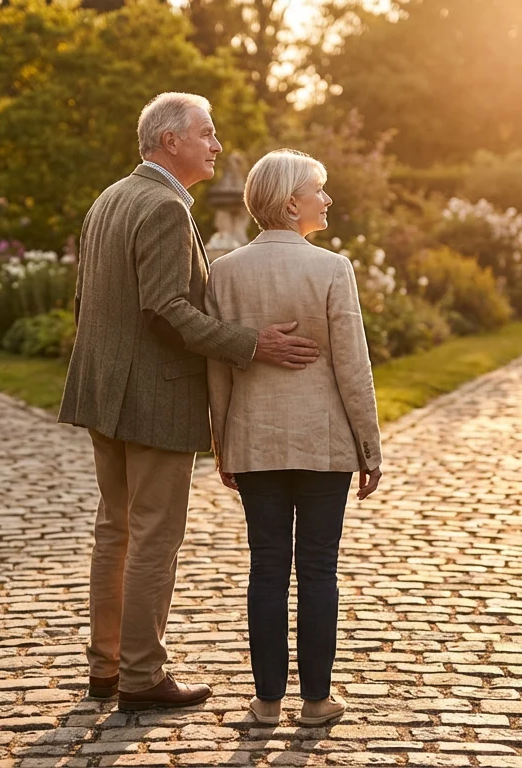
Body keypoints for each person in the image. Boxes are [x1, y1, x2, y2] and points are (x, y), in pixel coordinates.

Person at [58, 94, 321, 712]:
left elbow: (85, 303)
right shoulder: (164, 208)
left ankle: (106, 667)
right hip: (152, 400)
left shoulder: (111, 198)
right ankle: (142, 677)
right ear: (170, 140)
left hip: (104, 394)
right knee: (151, 537)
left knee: (115, 531)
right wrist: (250, 343)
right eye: (206, 133)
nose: (217, 145)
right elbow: (167, 309)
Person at [205, 149, 384, 727]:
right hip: (323, 443)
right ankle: (316, 701)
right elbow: (353, 369)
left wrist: (223, 443)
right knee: (318, 568)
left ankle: (265, 702)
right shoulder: (333, 270)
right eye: (319, 190)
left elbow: (219, 368)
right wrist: (369, 448)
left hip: (254, 441)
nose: (327, 199)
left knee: (266, 567)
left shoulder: (225, 272)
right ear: (291, 203)